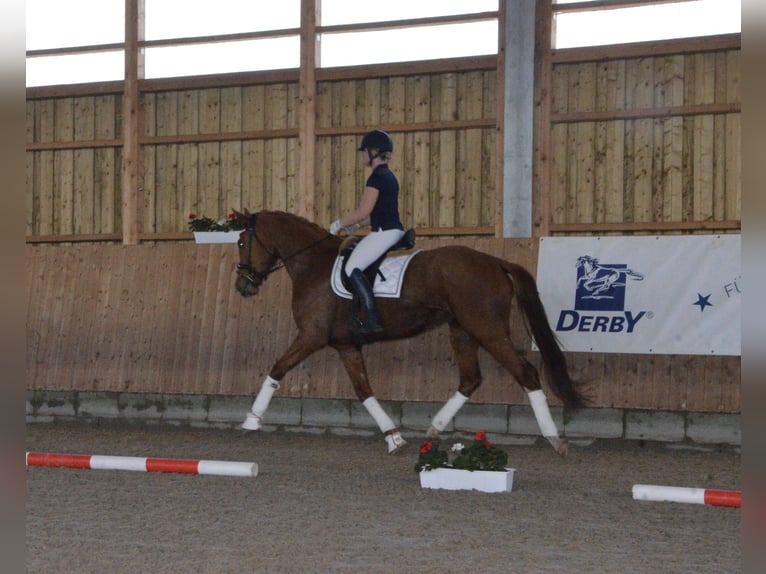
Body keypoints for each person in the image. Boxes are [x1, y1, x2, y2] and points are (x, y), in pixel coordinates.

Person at [329, 129, 405, 334]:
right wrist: (357, 227)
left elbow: (362, 211)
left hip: (384, 233)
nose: (362, 155)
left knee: (351, 267)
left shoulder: (376, 178)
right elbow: (378, 212)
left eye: (364, 151)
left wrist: (338, 224)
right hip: (391, 230)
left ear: (373, 152)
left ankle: (372, 318)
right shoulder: (388, 176)